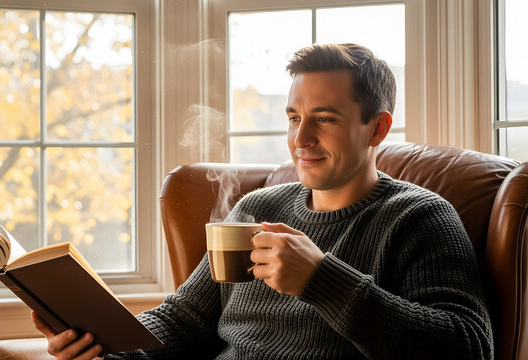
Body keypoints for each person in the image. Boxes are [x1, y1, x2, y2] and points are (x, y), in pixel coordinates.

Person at [32, 43, 493, 359]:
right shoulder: (259, 209)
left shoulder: (419, 218)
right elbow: (185, 321)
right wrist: (100, 345)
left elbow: (469, 346)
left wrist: (320, 279)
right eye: (294, 117)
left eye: (325, 119)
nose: (302, 138)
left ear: (377, 128)